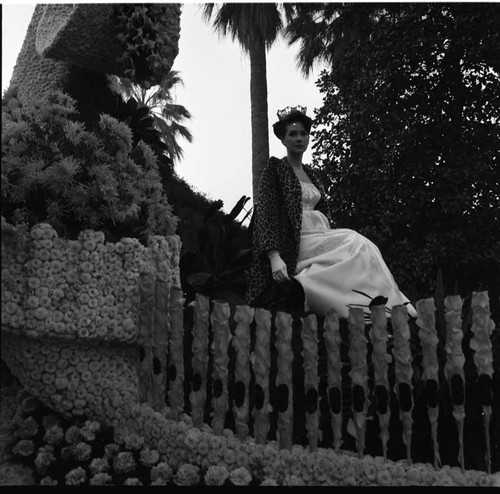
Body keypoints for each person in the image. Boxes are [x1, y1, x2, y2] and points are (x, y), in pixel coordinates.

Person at [246, 105, 416, 320]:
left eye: (303, 134)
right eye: (292, 134)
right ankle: (361, 309)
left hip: (319, 234)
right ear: (283, 139)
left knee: (364, 247)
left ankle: (385, 306)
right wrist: (274, 256)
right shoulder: (275, 169)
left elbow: (322, 210)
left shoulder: (312, 174)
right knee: (355, 241)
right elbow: (267, 212)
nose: (299, 138)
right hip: (295, 239)